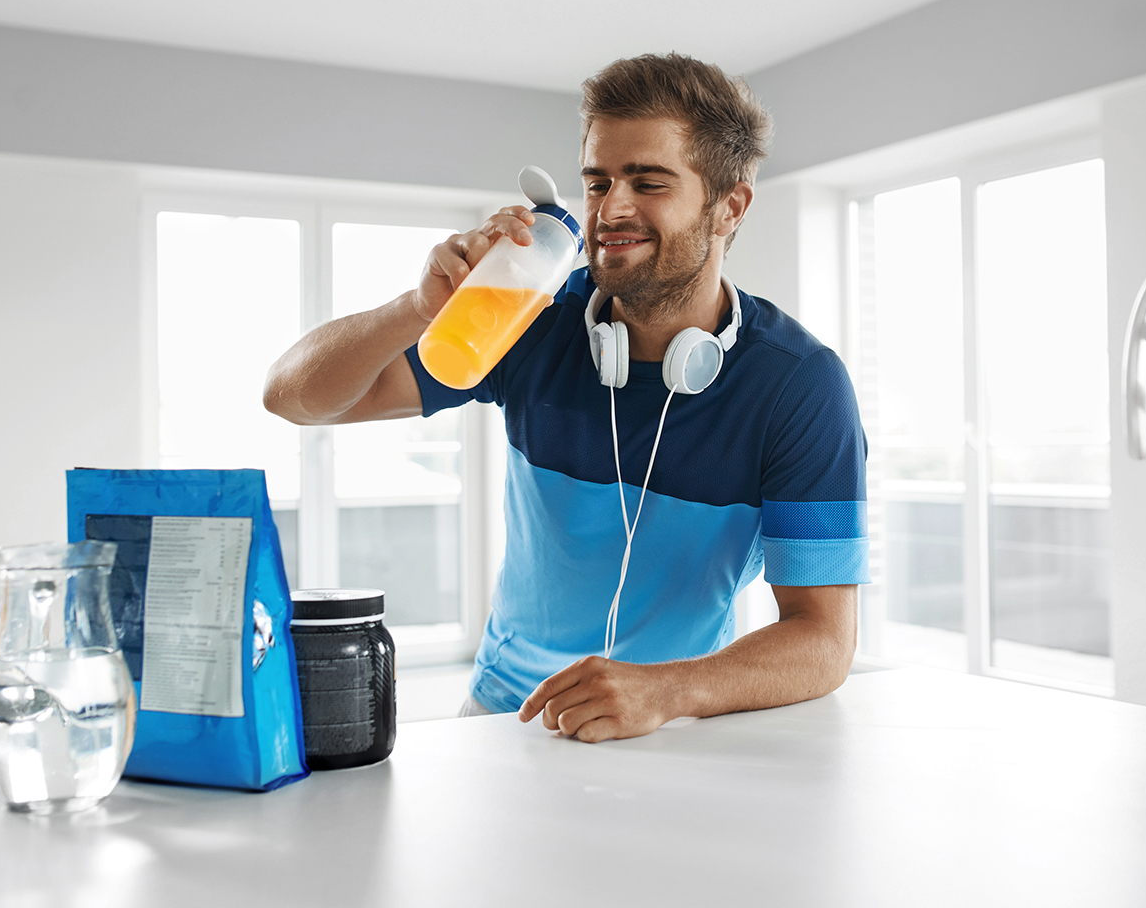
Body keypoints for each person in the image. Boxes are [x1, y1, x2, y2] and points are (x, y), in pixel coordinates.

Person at [264, 53, 867, 743]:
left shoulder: (800, 386)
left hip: (672, 727)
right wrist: (417, 307)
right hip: (501, 722)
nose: (611, 208)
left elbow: (823, 639)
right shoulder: (529, 317)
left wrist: (667, 688)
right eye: (598, 181)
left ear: (729, 205)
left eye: (648, 182)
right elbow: (294, 397)